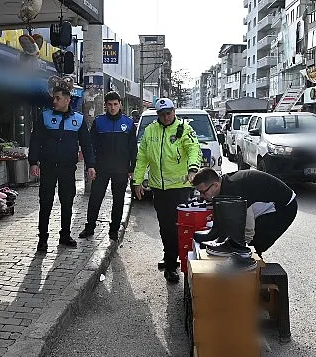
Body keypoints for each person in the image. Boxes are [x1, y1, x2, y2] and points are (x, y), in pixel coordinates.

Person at [133, 97, 201, 283]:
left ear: (174, 111)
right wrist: (137, 182)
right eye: (161, 114)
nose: (165, 117)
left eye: (168, 113)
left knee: (182, 228)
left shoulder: (184, 129)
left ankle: (178, 262)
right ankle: (170, 259)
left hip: (181, 189)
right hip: (159, 189)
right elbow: (142, 159)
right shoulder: (150, 131)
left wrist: (193, 169)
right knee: (166, 227)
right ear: (157, 115)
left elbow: (194, 149)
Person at [29, 84, 96, 252]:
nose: (54, 101)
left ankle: (65, 235)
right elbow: (35, 140)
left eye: (58, 98)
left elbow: (86, 144)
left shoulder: (78, 119)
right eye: (54, 98)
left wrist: (91, 165)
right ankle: (42, 239)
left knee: (67, 202)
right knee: (45, 203)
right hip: (48, 167)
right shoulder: (44, 117)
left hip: (67, 168)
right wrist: (33, 162)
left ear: (68, 100)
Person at [191, 168, 297, 255]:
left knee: (254, 246)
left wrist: (239, 247)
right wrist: (218, 234)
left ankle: (252, 275)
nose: (202, 196)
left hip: (284, 207)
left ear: (215, 185)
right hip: (265, 203)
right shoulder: (223, 184)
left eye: (203, 192)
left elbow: (248, 227)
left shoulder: (234, 189)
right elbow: (224, 218)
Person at [79, 91, 137, 241]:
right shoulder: (99, 122)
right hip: (101, 168)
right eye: (109, 104)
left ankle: (114, 230)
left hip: (121, 169)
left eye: (115, 104)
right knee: (95, 198)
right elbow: (91, 146)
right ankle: (90, 227)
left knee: (118, 200)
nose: (112, 107)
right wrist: (91, 165)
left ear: (120, 105)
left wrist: (132, 168)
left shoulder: (129, 123)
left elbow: (133, 148)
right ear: (105, 105)